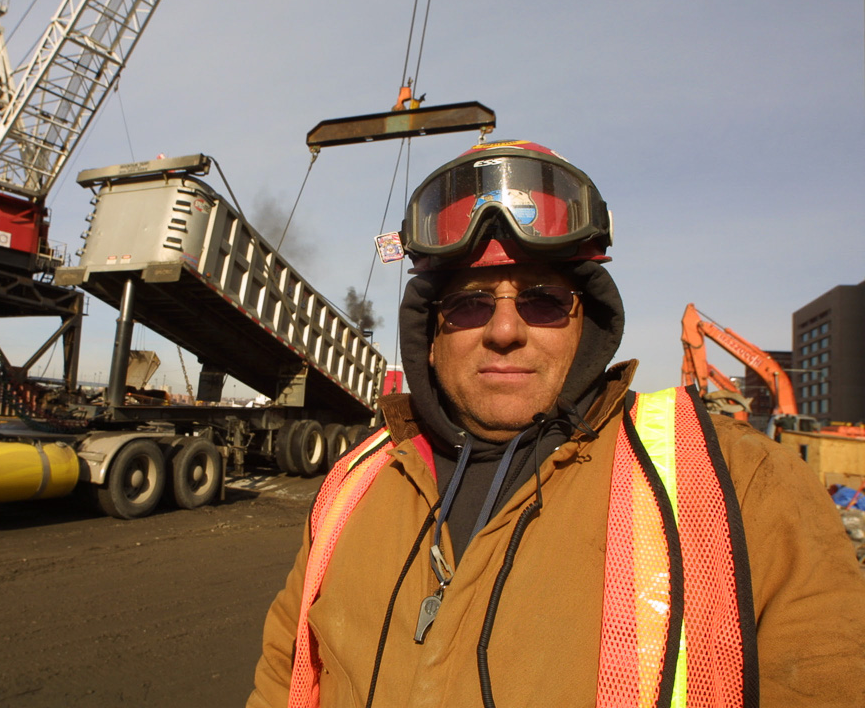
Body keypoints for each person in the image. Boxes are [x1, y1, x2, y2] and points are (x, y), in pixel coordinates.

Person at [247, 140, 865, 708]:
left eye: (543, 300)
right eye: (469, 304)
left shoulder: (743, 483)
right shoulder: (353, 487)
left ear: (586, 323)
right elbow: (285, 676)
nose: (506, 330)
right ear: (429, 335)